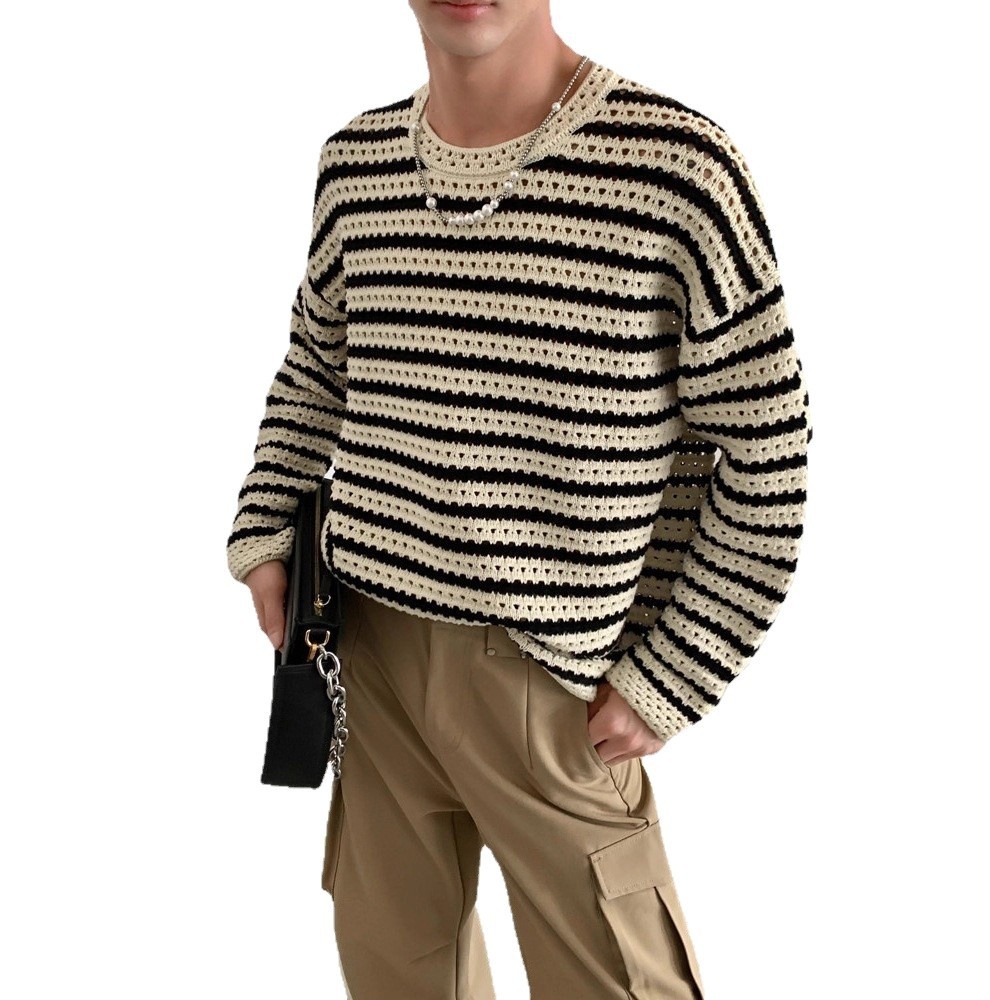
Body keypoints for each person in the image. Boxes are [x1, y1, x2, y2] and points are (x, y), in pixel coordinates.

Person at [226, 1, 811, 997]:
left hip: (555, 681)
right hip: (367, 652)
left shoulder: (678, 170)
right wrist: (266, 527)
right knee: (397, 975)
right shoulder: (356, 164)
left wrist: (674, 671)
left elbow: (768, 451)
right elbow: (319, 367)